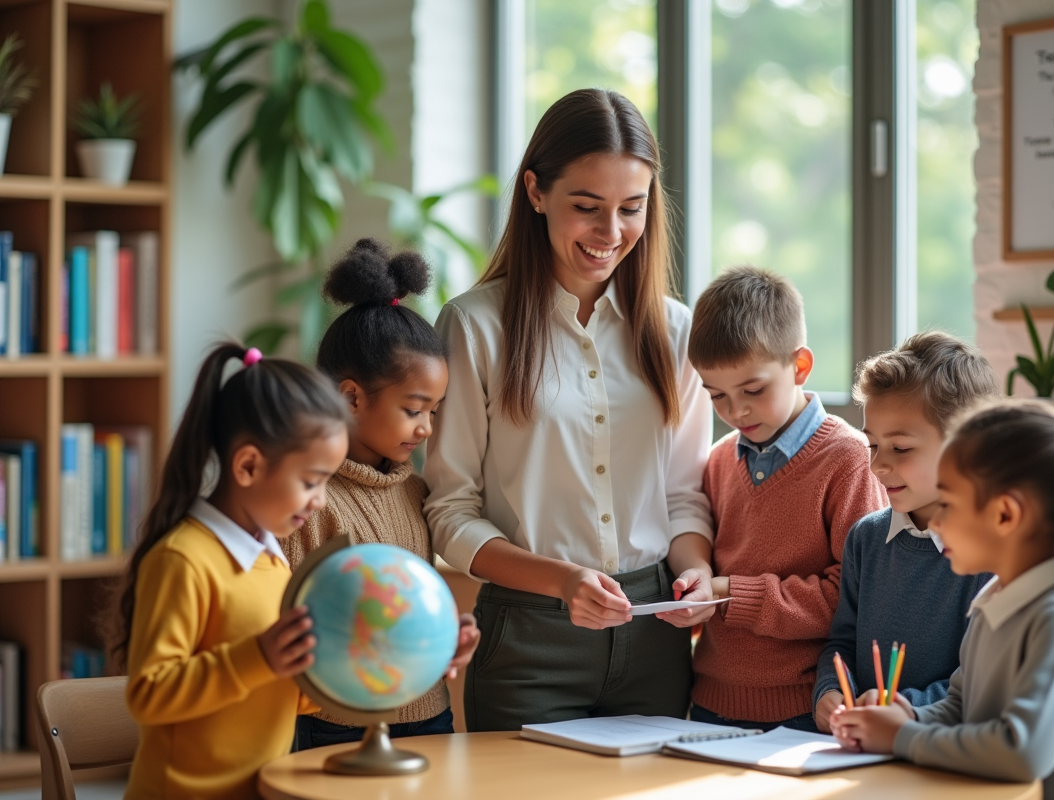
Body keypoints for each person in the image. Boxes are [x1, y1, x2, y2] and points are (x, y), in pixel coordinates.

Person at [423, 88, 715, 732]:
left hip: (655, 634)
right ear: (535, 192)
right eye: (586, 207)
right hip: (529, 639)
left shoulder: (676, 332)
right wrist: (560, 581)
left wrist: (696, 574)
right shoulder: (474, 327)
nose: (611, 234)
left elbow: (686, 496)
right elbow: (450, 513)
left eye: (631, 209)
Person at [831, 400, 1054, 800]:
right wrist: (909, 715)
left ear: (1006, 515)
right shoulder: (995, 601)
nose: (935, 523)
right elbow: (961, 705)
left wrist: (903, 737)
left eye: (948, 505)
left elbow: (1022, 752)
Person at [113, 343, 351, 799]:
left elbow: (288, 697)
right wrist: (258, 657)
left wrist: (325, 666)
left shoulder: (276, 563)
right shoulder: (183, 560)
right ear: (247, 466)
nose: (320, 500)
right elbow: (148, 694)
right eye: (310, 481)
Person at [282, 239, 480, 750]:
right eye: (414, 410)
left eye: (434, 411)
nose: (427, 429)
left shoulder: (417, 491)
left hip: (430, 715)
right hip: (333, 725)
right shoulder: (306, 502)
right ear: (351, 398)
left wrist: (444, 636)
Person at [686, 266, 887, 733]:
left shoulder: (849, 458)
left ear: (799, 367)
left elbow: (854, 598)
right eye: (716, 395)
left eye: (753, 390)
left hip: (806, 710)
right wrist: (696, 599)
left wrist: (733, 593)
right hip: (711, 704)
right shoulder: (718, 461)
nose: (736, 411)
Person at [812, 332, 997, 731]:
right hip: (864, 751)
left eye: (900, 448)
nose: (878, 465)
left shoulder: (989, 558)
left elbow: (983, 683)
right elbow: (841, 644)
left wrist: (905, 708)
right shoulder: (866, 540)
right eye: (872, 445)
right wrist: (830, 689)